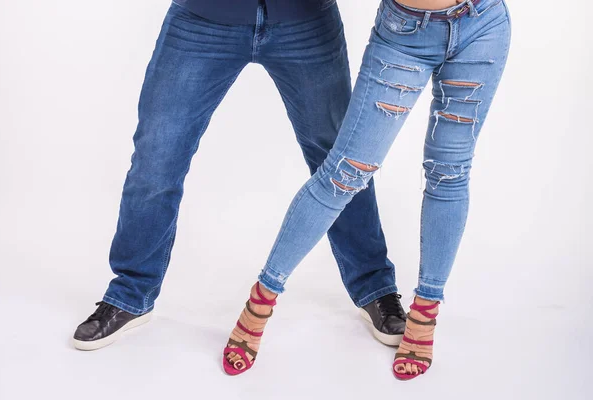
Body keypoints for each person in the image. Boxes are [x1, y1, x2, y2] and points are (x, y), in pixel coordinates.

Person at [72, 0, 407, 351]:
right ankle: (130, 293)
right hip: (203, 18)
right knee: (156, 156)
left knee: (341, 161)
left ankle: (375, 288)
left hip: (305, 18)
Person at [224, 0, 511, 380]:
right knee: (342, 174)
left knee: (450, 172)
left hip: (482, 23)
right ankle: (262, 298)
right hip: (405, 34)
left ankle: (425, 312)